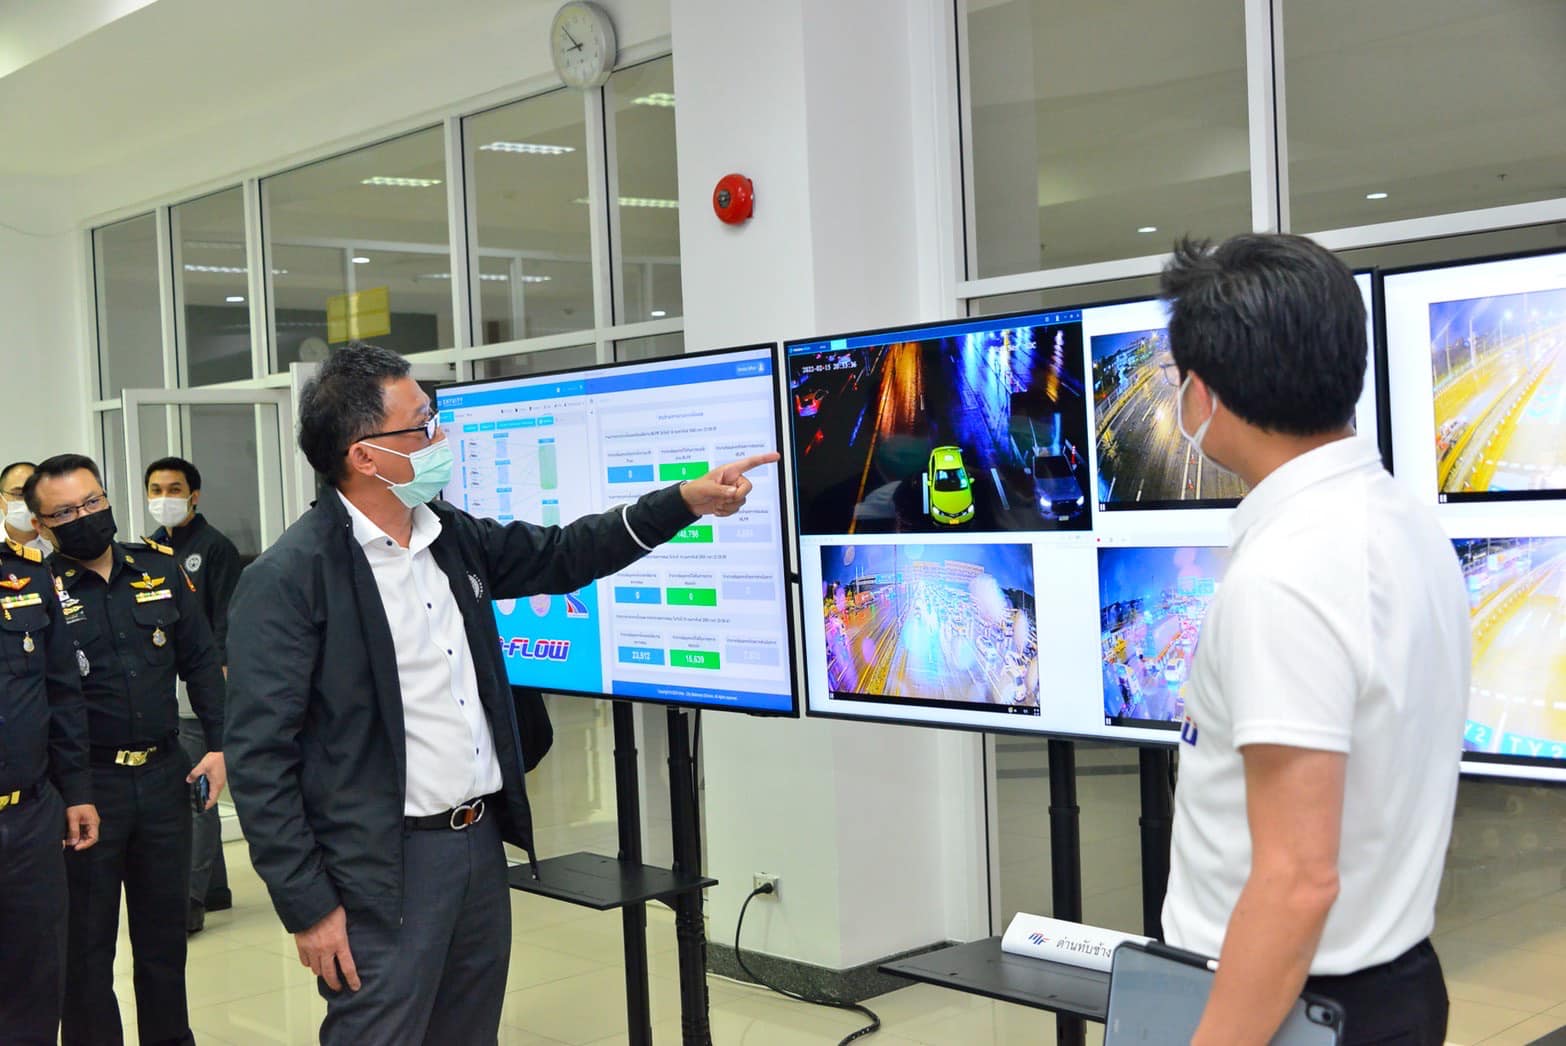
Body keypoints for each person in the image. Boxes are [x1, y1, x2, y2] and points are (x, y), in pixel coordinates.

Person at [225, 342, 777, 1045]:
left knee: (469, 1030)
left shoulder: (449, 536)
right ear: (365, 455)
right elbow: (260, 760)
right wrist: (308, 905)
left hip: (477, 846)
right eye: (423, 425)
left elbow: (565, 553)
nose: (441, 438)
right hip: (378, 867)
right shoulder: (290, 578)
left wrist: (683, 502)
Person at [1156, 234, 1469, 1045]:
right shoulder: (1403, 522)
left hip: (1289, 1007)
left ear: (1204, 394)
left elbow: (1297, 881)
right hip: (1390, 985)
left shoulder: (1285, 575)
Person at [26, 453, 228, 1046]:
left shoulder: (158, 568)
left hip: (164, 777)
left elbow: (201, 662)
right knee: (86, 951)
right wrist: (67, 793)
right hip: (86, 789)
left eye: (91, 502)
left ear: (108, 498)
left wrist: (220, 746)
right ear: (41, 525)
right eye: (65, 512)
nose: (84, 516)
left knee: (164, 942)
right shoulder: (36, 590)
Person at [0, 531, 99, 1044]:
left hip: (29, 816)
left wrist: (77, 790)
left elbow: (62, 691)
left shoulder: (29, 575)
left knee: (36, 984)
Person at [146, 455, 243, 932]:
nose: (164, 498)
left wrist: (218, 680)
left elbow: (227, 616)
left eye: (174, 489)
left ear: (194, 495)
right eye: (156, 490)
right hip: (168, 686)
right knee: (197, 786)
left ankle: (190, 898)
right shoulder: (149, 550)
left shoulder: (215, 547)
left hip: (205, 688)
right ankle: (216, 889)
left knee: (197, 789)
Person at [2, 460, 53, 556]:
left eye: (34, 494)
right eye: (19, 494)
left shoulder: (60, 544)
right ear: (1, 500)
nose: (27, 502)